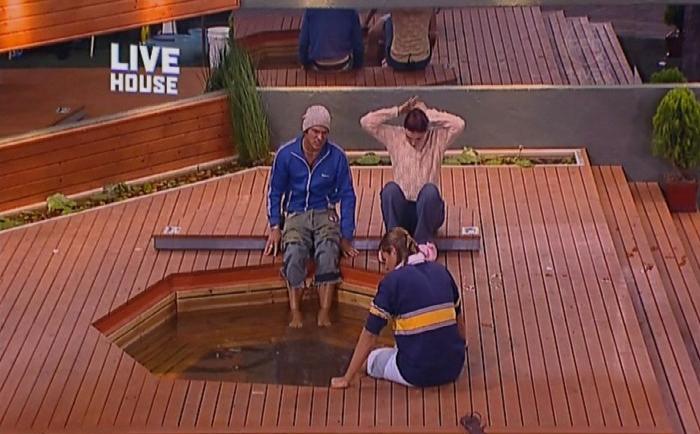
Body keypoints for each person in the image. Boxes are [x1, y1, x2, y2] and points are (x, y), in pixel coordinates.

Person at [331, 227, 466, 388]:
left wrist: (346, 377)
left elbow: (370, 334)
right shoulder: (441, 271)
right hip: (454, 367)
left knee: (370, 359)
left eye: (384, 259)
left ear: (394, 252)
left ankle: (354, 381)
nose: (385, 268)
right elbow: (459, 322)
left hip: (417, 373)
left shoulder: (392, 281)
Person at [265, 105, 359, 328]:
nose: (320, 137)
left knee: (328, 252)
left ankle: (324, 311)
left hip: (325, 212)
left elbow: (348, 195)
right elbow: (275, 192)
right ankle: (295, 311)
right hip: (296, 212)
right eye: (315, 132)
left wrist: (346, 236)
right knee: (294, 252)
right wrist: (275, 226)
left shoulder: (337, 156)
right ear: (305, 130)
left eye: (324, 133)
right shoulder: (286, 155)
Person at [360, 97, 466, 243]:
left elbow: (459, 124)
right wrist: (398, 111)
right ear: (404, 130)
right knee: (389, 190)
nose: (413, 143)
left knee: (430, 191)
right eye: (409, 138)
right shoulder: (395, 136)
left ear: (427, 131)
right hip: (404, 210)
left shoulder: (438, 138)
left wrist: (427, 114)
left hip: (428, 211)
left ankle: (422, 245)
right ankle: (395, 243)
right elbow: (366, 122)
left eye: (419, 139)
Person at [368, 8, 437, 71]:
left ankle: (380, 62)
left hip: (396, 61)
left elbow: (375, 7)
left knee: (388, 21)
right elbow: (433, 35)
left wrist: (366, 21)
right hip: (422, 61)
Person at [298, 9, 365, 72]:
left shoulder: (310, 10)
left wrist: (305, 64)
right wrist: (357, 68)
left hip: (319, 64)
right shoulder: (351, 11)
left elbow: (303, 44)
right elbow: (358, 46)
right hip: (343, 63)